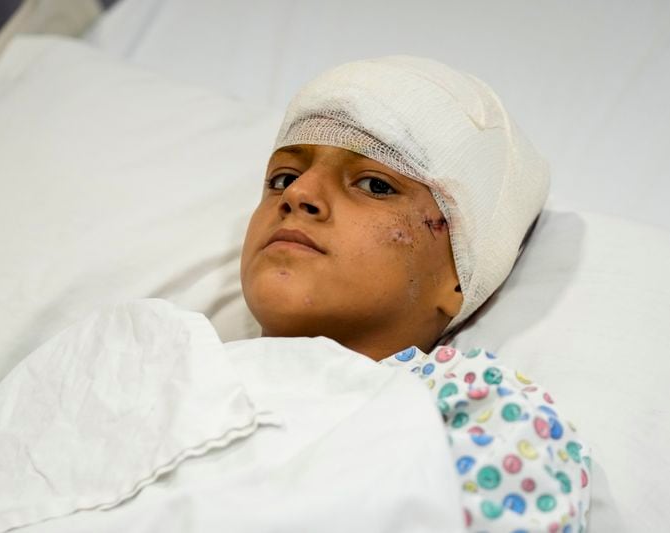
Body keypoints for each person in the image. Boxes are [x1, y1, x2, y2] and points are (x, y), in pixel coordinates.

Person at [241, 56, 591, 531]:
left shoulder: (475, 413)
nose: (299, 193)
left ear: (459, 275)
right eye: (282, 177)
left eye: (375, 184)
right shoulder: (161, 353)